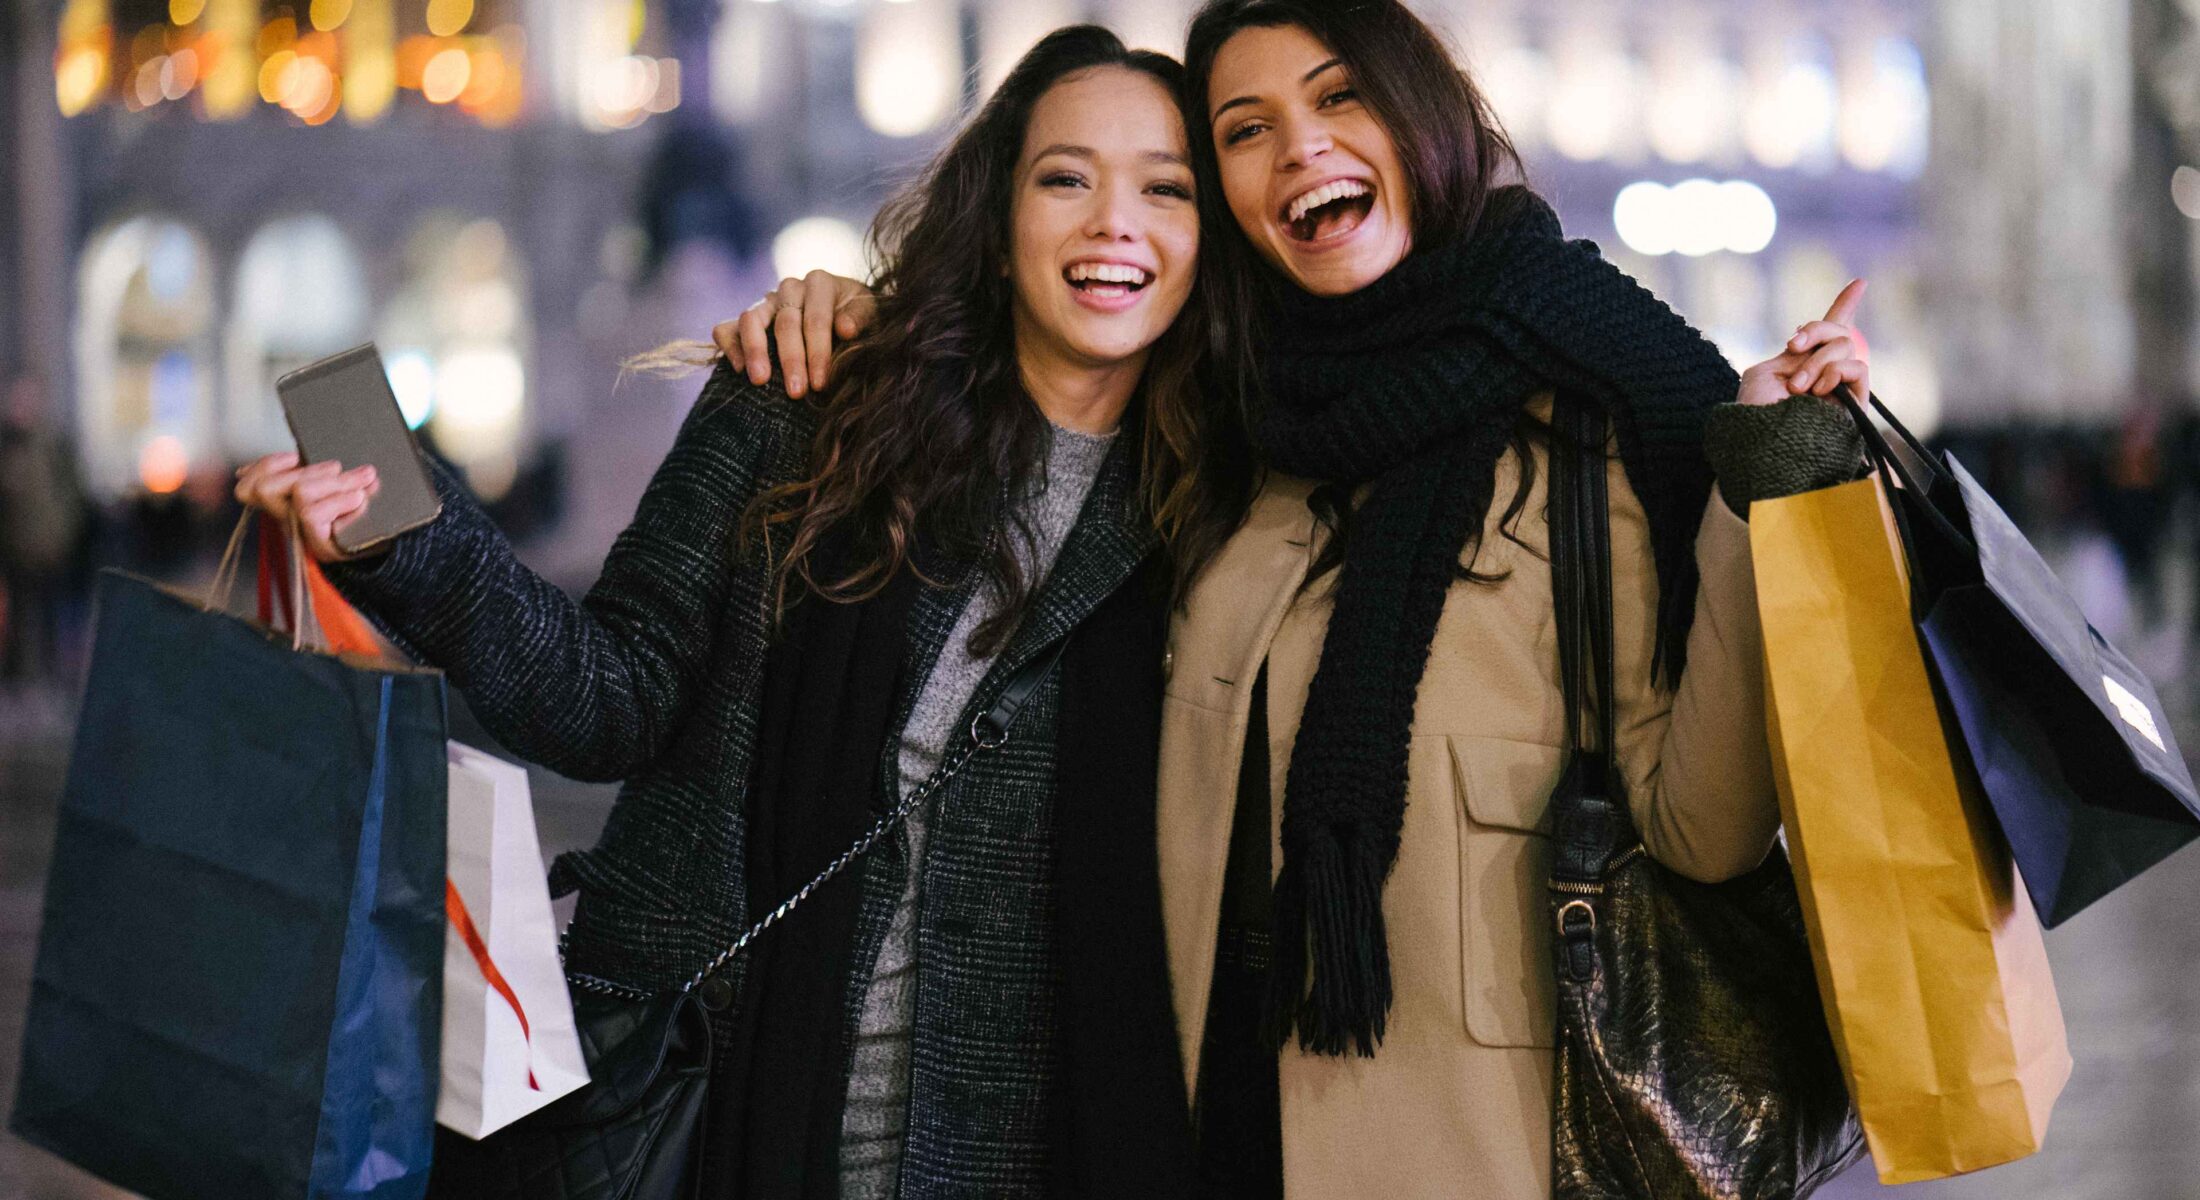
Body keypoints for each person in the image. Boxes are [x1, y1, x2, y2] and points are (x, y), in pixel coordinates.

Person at [713, 2, 1875, 1196]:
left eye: (1337, 98)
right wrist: (860, 329)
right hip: (1202, 1137)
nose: (1300, 147)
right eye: (1245, 128)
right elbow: (1037, 376)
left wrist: (1763, 492)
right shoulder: (1222, 430)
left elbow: (1707, 832)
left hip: (1483, 1153)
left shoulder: (1594, 434)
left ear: (1420, 113)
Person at [236, 26, 1246, 1198]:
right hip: (709, 1115)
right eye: (1065, 177)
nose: (1113, 223)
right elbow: (607, 699)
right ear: (998, 212)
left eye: (1164, 190)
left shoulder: (1217, 505)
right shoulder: (809, 408)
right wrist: (397, 525)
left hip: (1025, 1151)